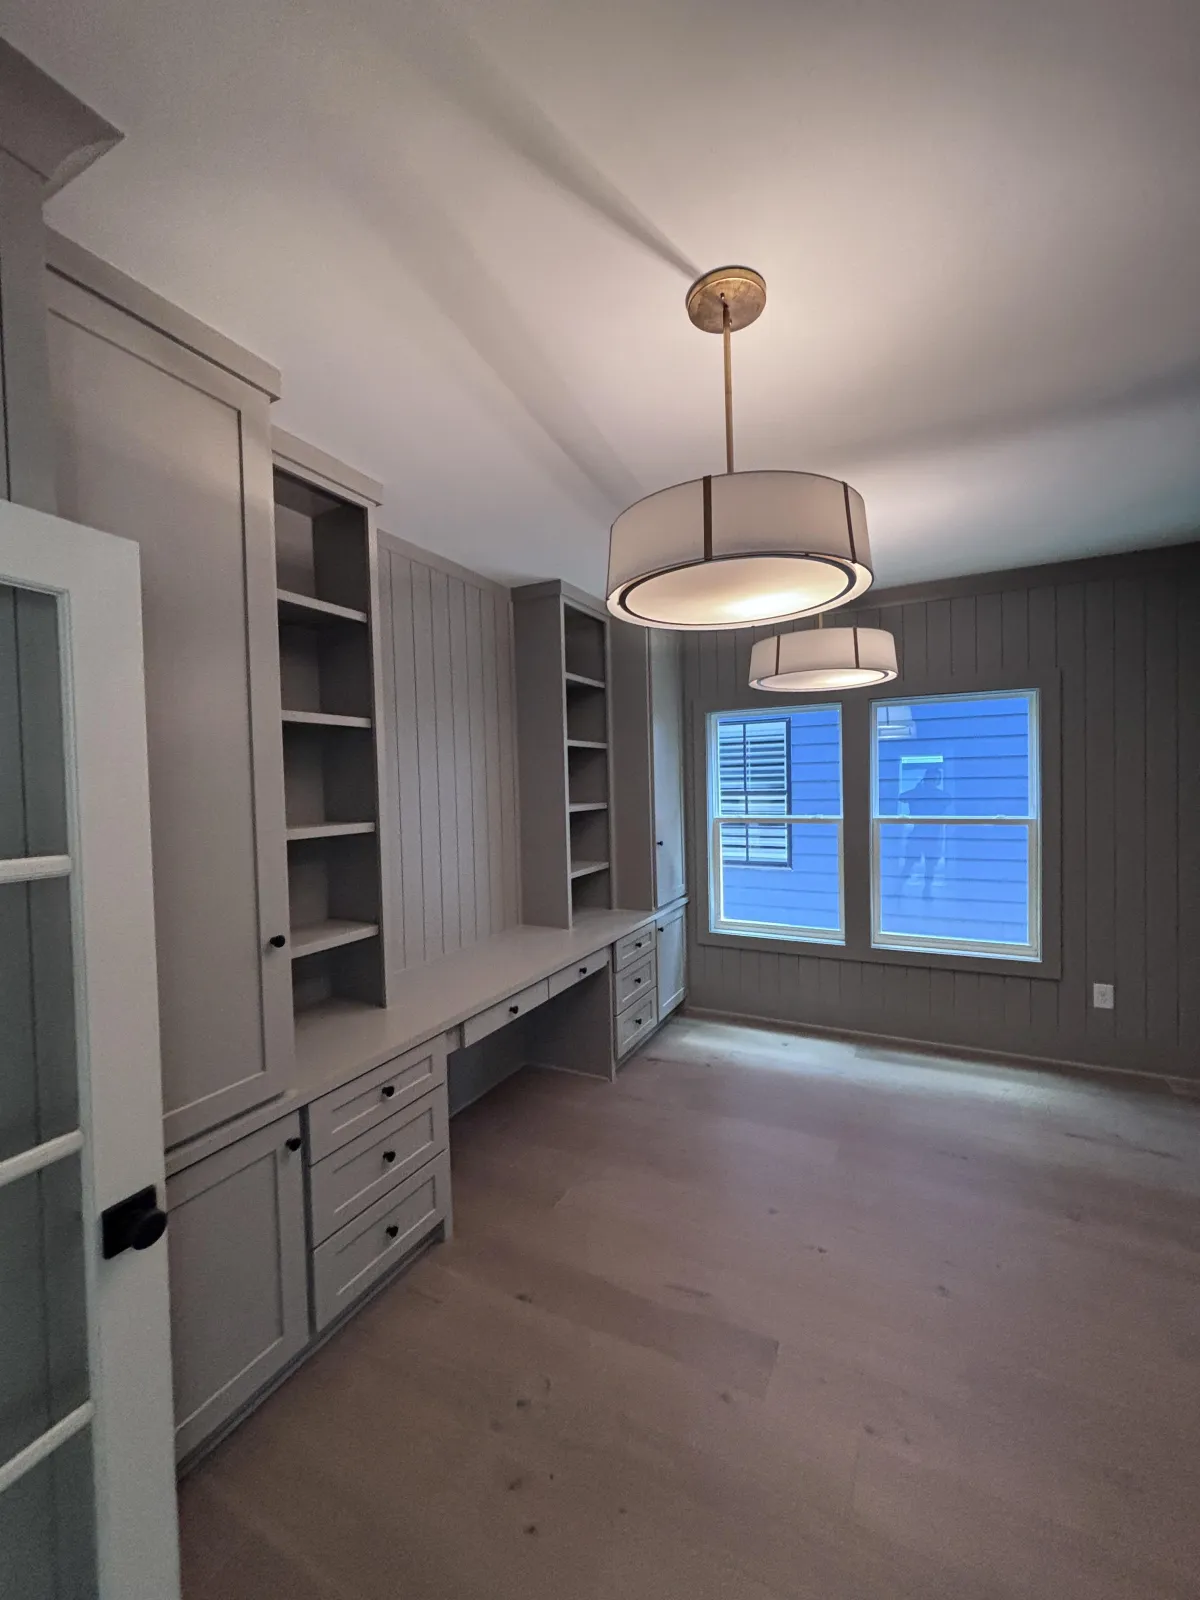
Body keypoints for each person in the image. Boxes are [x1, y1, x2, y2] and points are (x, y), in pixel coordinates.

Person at [900, 765, 948, 898]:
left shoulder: (933, 794)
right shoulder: (927, 794)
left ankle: (924, 890)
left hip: (928, 835)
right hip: (923, 834)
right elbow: (901, 797)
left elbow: (902, 797)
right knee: (914, 864)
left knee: (926, 865)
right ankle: (902, 889)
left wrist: (917, 789)